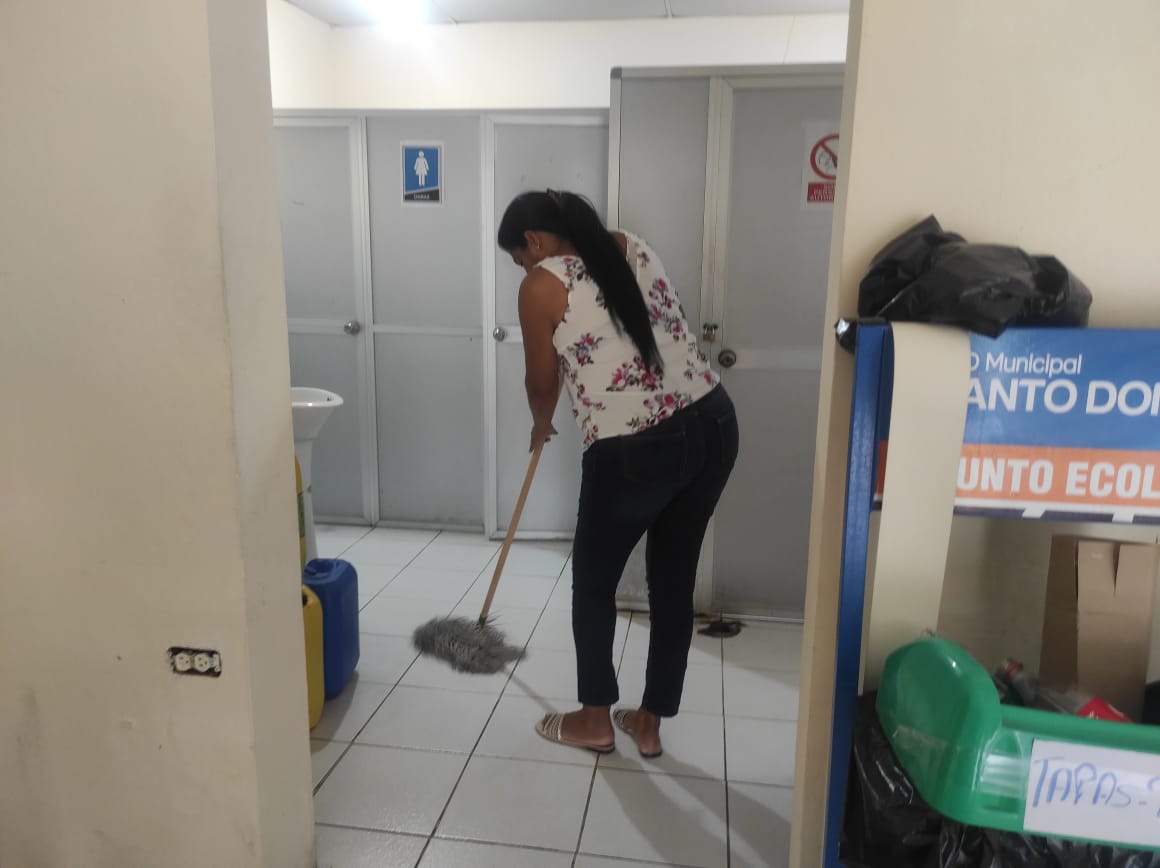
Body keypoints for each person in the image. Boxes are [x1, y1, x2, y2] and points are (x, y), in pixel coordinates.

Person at [498, 189, 739, 758]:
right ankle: (649, 723)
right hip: (712, 422)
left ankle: (594, 721)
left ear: (534, 241)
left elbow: (541, 383)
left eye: (521, 258)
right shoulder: (631, 246)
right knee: (673, 580)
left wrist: (541, 424)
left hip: (635, 445)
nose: (526, 268)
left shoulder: (541, 285)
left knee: (594, 582)